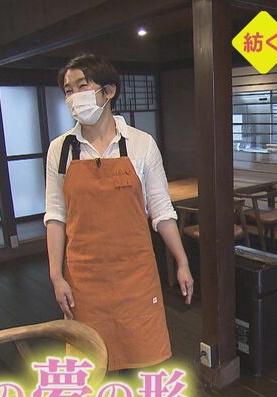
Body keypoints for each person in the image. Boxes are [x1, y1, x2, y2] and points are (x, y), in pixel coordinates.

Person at [44, 54, 194, 372]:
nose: (73, 97)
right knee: (91, 367)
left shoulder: (141, 144)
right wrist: (56, 276)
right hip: (84, 278)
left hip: (135, 275)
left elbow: (161, 211)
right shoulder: (61, 149)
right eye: (68, 90)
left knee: (145, 362)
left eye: (82, 86)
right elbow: (56, 216)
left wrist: (182, 261)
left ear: (108, 91)